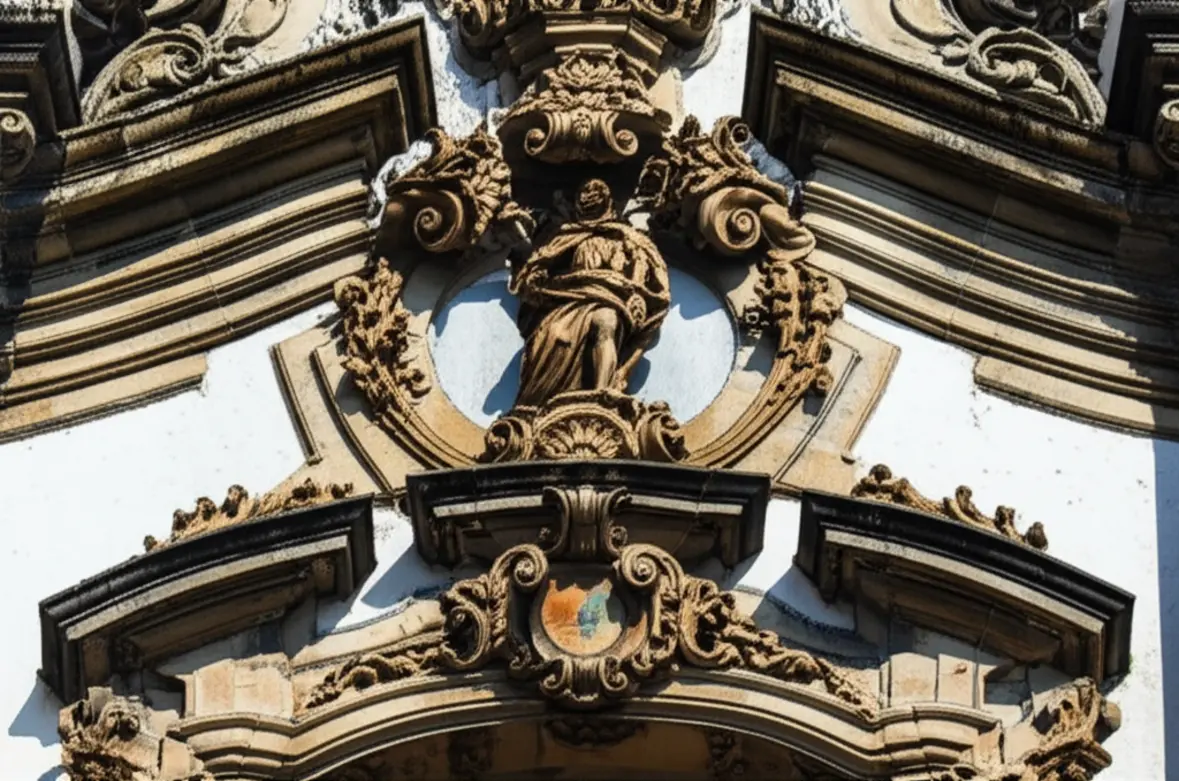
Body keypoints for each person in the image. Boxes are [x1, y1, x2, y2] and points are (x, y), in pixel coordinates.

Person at [510, 179, 670, 408]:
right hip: (570, 297)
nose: (589, 196)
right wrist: (536, 278)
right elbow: (537, 268)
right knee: (553, 334)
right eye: (585, 192)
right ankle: (542, 400)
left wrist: (638, 295)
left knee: (606, 321)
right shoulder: (566, 236)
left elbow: (644, 273)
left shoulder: (628, 238)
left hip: (611, 296)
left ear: (608, 201)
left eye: (596, 192)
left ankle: (602, 393)